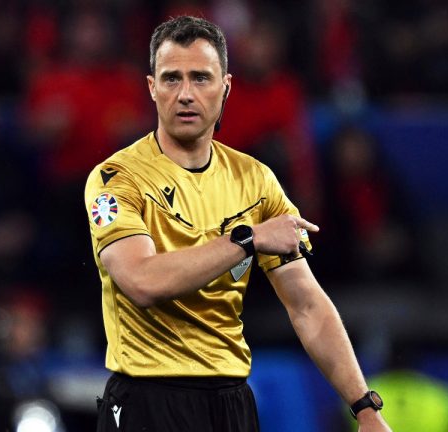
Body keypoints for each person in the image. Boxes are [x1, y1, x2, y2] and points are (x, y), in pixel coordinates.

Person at [83, 16, 392, 431]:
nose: (186, 94)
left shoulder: (255, 180)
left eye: (201, 78)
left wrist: (365, 408)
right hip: (147, 400)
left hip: (231, 405)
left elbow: (307, 306)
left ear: (226, 87)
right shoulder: (117, 178)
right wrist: (248, 240)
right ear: (152, 88)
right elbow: (142, 282)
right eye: (172, 79)